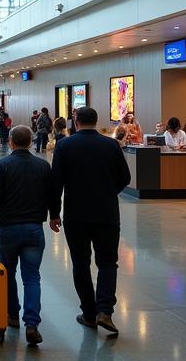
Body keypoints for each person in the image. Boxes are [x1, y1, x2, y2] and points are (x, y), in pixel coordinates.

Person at [50, 106, 131, 336]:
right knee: (107, 262)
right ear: (96, 121)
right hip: (106, 214)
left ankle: (88, 312)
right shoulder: (111, 145)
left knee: (81, 263)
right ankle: (104, 310)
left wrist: (54, 212)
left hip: (76, 215)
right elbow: (125, 177)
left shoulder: (65, 145)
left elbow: (56, 182)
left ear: (75, 121)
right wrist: (108, 192)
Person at [0, 125, 55, 346]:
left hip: (7, 229)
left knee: (7, 273)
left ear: (10, 142)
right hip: (33, 229)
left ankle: (12, 315)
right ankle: (32, 323)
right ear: (30, 142)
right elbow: (52, 195)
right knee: (32, 276)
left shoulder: (1, 166)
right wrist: (54, 216)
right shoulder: (42, 166)